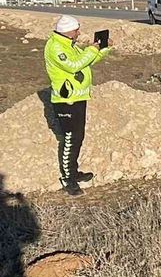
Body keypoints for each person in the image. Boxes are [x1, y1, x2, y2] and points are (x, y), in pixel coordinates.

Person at [44, 15, 113, 196]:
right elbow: (74, 66)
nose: (79, 32)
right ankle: (67, 178)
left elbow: (86, 62)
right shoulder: (56, 47)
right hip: (66, 101)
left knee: (78, 137)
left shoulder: (69, 45)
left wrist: (103, 49)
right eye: (77, 30)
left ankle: (74, 172)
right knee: (70, 139)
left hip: (78, 98)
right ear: (68, 30)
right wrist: (92, 48)